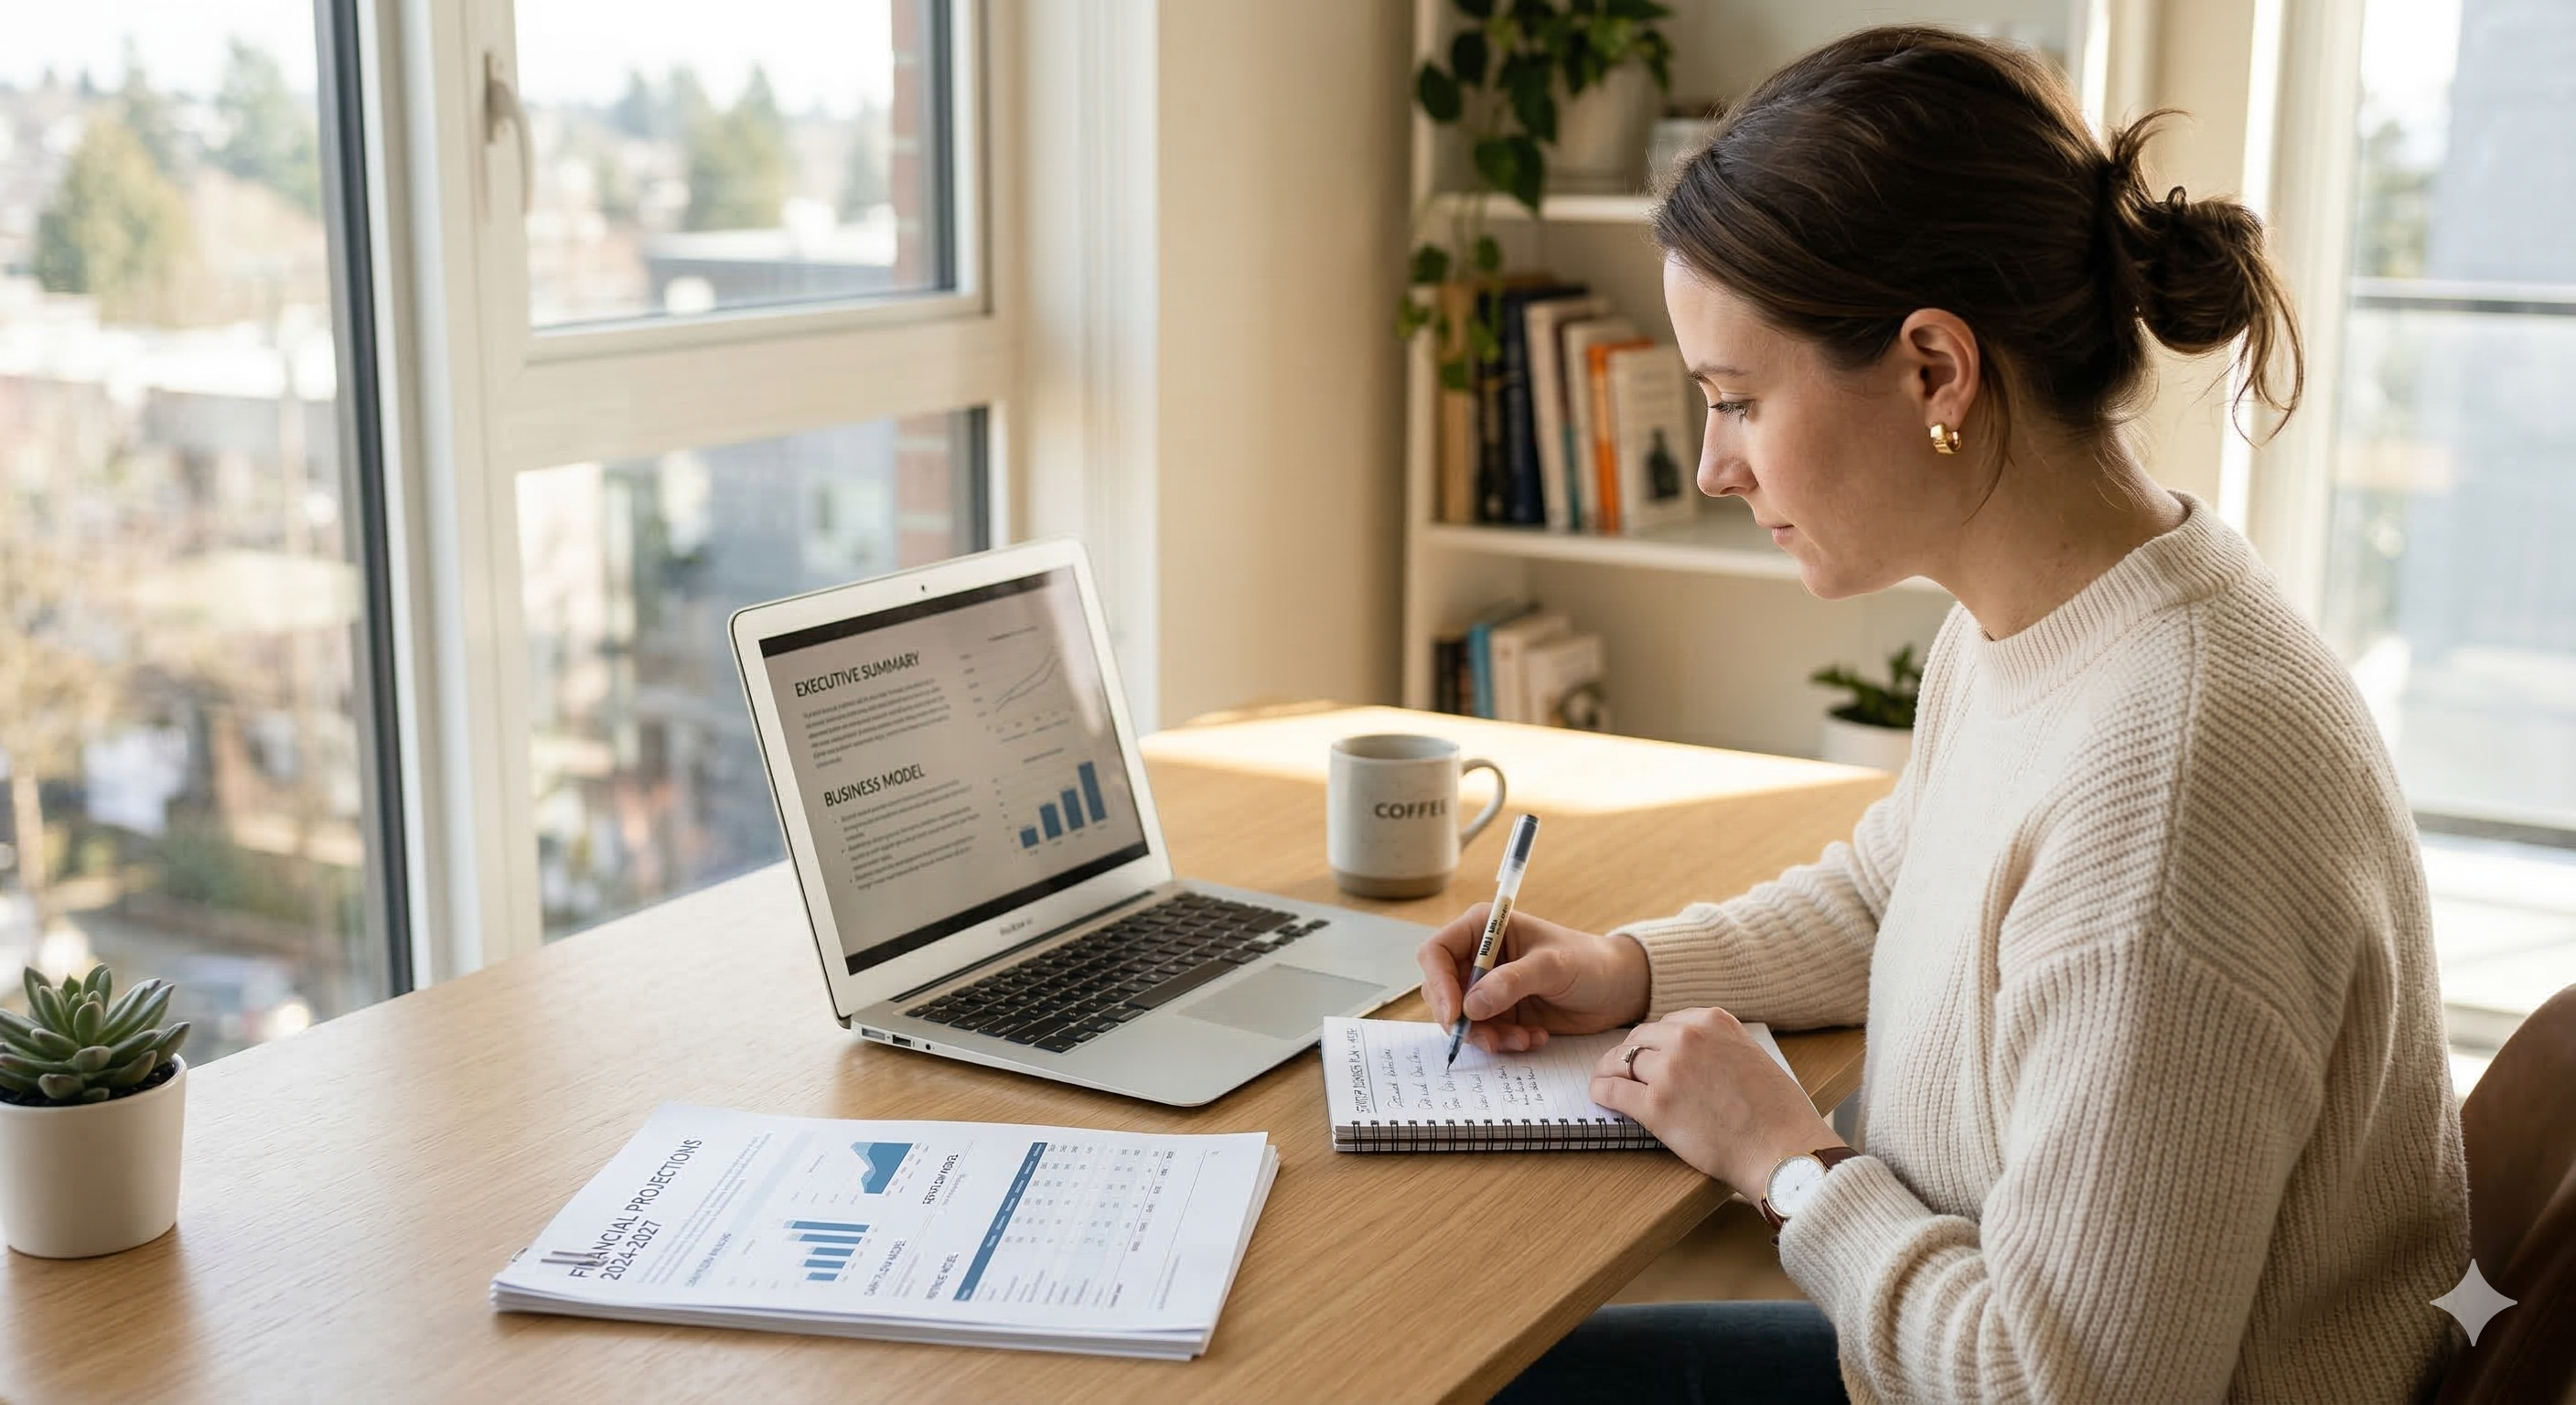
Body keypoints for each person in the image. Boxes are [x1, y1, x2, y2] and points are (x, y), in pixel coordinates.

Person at [1420, 26, 2470, 1405]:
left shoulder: (2167, 793)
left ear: (1934, 371)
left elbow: (2061, 1390)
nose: (1717, 462)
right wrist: (1630, 969)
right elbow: (1898, 889)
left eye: (1737, 397)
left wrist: (1790, 1164)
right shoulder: (2059, 609)